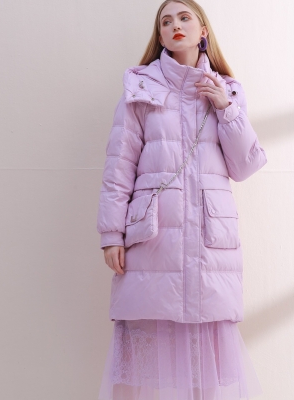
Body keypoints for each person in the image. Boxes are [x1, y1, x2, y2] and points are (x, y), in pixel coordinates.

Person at [96, 1, 267, 399]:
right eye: (166, 21)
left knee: (208, 365)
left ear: (203, 30)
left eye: (184, 17)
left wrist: (225, 108)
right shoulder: (141, 89)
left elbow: (245, 165)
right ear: (160, 37)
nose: (175, 25)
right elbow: (119, 166)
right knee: (149, 365)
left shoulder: (229, 91)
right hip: (153, 240)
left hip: (210, 244)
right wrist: (111, 234)